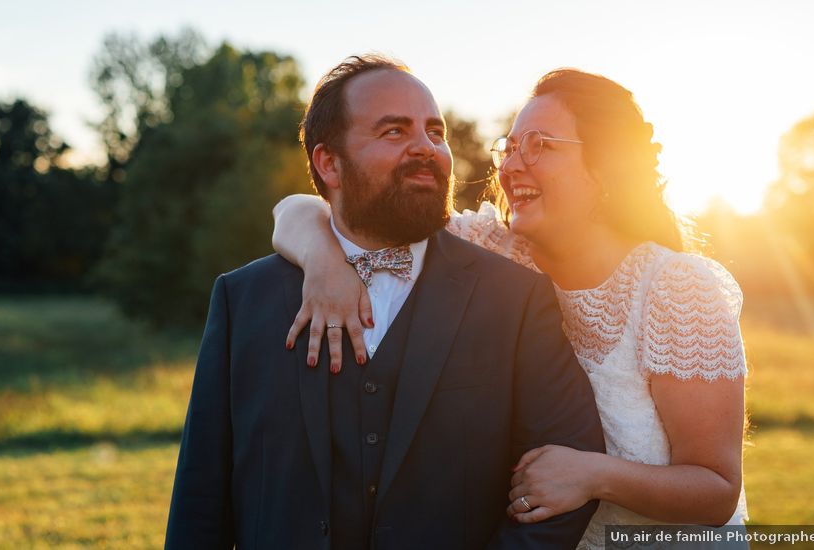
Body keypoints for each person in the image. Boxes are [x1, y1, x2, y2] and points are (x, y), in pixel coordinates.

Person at [272, 68, 748, 549]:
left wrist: (596, 475)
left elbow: (716, 490)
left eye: (539, 144)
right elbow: (302, 207)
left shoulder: (677, 289)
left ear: (605, 167)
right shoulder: (492, 250)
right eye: (511, 147)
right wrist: (322, 260)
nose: (511, 166)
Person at [165, 56, 605, 549]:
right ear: (329, 163)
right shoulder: (242, 300)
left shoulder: (515, 299)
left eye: (434, 131)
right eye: (394, 132)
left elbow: (567, 478)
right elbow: (200, 499)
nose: (426, 147)